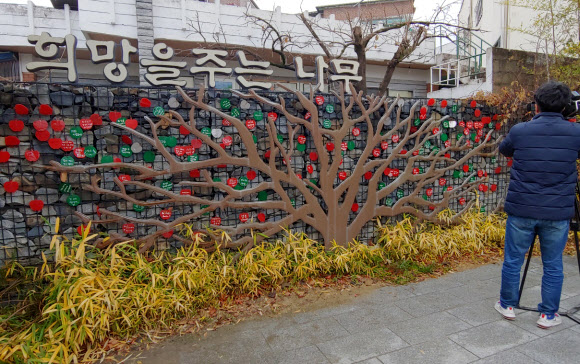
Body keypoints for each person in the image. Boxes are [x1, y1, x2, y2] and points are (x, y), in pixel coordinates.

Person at [495, 81, 580, 329]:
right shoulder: (576, 133)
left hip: (522, 208)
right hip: (557, 212)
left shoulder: (521, 130)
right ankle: (548, 314)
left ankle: (508, 305)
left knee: (513, 260)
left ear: (536, 105)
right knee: (553, 264)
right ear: (566, 107)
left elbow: (505, 150)